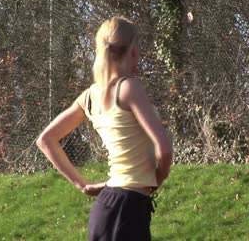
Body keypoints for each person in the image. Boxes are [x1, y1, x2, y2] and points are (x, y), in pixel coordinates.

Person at [36, 16, 172, 241]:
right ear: (133, 51)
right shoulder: (129, 88)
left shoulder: (90, 96)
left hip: (109, 206)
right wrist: (158, 178)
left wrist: (83, 185)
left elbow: (46, 140)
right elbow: (164, 149)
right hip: (127, 209)